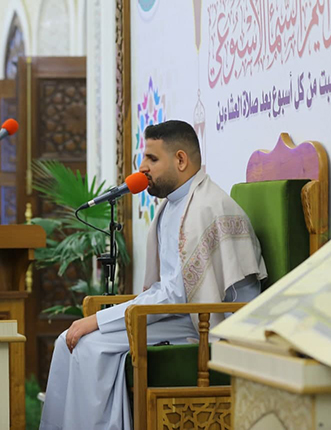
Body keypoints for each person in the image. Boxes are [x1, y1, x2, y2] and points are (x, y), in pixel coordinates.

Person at [40, 120, 267, 430]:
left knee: (91, 348)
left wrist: (97, 320)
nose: (142, 167)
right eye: (144, 157)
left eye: (152, 158)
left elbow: (177, 295)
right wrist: (104, 319)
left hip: (209, 323)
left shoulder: (206, 208)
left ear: (181, 160)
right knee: (65, 342)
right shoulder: (174, 204)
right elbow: (169, 290)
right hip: (181, 312)